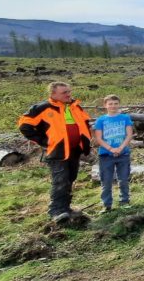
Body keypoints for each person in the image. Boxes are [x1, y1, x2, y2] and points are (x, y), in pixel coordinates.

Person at [18, 81, 93, 223]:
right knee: (60, 181)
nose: (68, 94)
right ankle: (56, 211)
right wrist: (45, 141)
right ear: (53, 94)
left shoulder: (75, 107)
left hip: (74, 150)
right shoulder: (43, 108)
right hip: (57, 152)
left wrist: (85, 143)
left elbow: (85, 125)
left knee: (70, 178)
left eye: (69, 91)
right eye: (64, 92)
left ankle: (65, 208)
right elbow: (24, 125)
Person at [93, 94, 133, 211]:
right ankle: (107, 205)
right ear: (105, 105)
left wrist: (120, 148)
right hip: (106, 155)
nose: (113, 106)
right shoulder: (101, 120)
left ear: (119, 104)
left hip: (123, 153)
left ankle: (124, 201)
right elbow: (99, 138)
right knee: (106, 181)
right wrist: (111, 149)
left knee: (124, 180)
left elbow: (129, 135)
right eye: (110, 104)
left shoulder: (125, 118)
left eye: (115, 103)